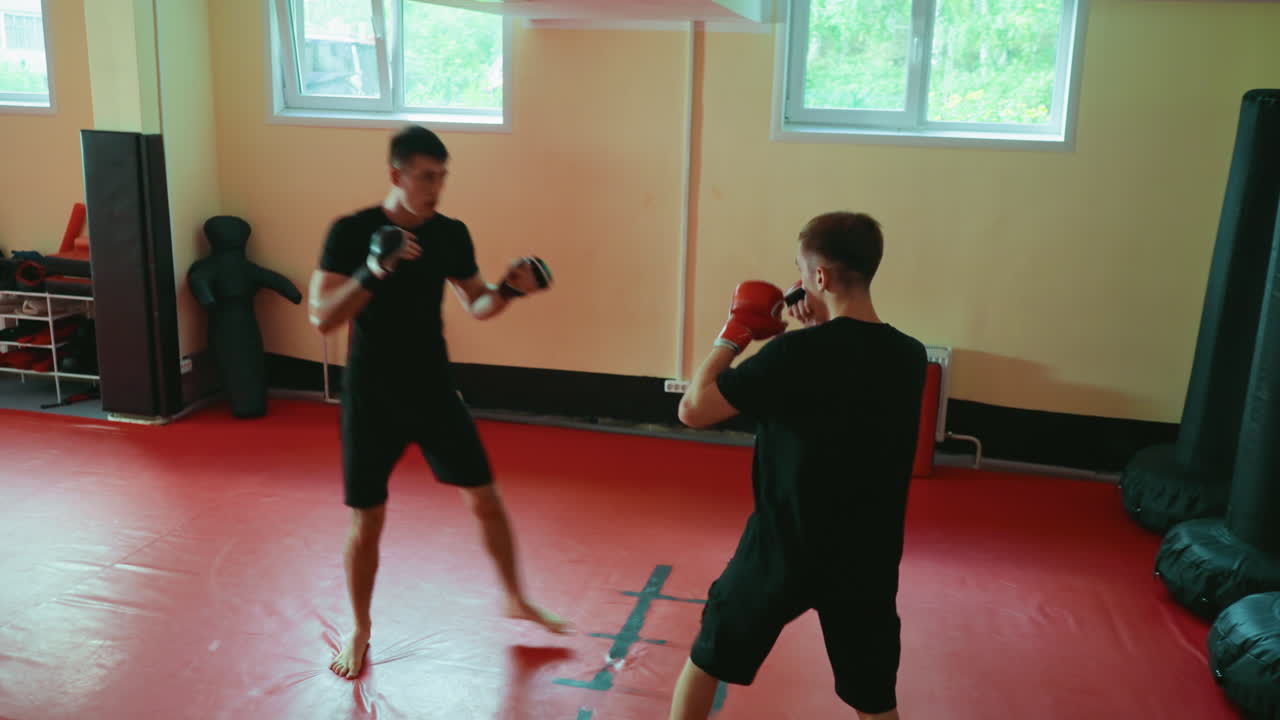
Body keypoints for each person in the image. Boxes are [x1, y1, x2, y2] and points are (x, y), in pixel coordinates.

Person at [308, 125, 569, 681]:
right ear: (395, 175)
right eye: (426, 176)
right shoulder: (352, 231)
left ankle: (516, 598)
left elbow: (476, 303)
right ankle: (359, 628)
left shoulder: (451, 234)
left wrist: (510, 289)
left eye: (442, 176)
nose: (436, 187)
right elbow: (323, 316)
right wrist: (374, 270)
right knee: (367, 520)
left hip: (431, 387)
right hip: (372, 394)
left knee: (487, 499)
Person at [669, 211, 927, 719]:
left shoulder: (792, 355)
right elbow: (847, 377)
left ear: (820, 278)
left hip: (782, 548)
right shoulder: (910, 357)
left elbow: (693, 410)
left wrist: (733, 334)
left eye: (803, 270)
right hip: (866, 559)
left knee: (707, 662)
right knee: (876, 702)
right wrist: (819, 328)